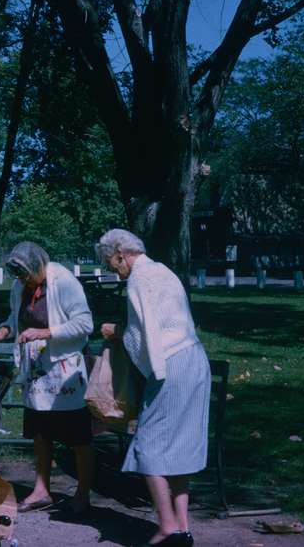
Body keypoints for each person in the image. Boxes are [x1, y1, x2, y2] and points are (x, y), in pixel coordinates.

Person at [96, 229, 210, 547]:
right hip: (194, 359)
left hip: (171, 365)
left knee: (148, 445)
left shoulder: (139, 279)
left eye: (110, 262)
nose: (111, 269)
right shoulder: (163, 271)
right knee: (180, 444)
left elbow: (144, 334)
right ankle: (183, 527)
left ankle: (168, 528)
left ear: (121, 253)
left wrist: (116, 331)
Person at [0, 241, 95, 514]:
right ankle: (41, 490)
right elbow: (16, 317)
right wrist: (4, 330)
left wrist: (44, 332)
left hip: (64, 369)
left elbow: (84, 324)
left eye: (26, 275)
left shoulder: (65, 282)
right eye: (19, 277)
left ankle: (83, 493)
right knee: (40, 431)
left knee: (78, 434)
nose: (22, 281)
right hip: (36, 370)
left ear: (39, 266)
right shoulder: (21, 285)